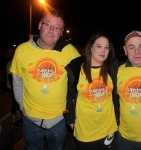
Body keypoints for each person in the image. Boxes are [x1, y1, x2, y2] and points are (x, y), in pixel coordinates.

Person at [10, 9, 80, 150]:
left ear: (61, 32)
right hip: (30, 121)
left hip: (58, 121)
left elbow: (84, 79)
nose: (51, 30)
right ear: (39, 25)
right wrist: (24, 108)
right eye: (48, 24)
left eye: (57, 27)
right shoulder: (22, 50)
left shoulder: (69, 50)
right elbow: (17, 82)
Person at [65, 32, 119, 150]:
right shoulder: (77, 70)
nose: (103, 51)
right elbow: (69, 96)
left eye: (106, 47)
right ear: (91, 48)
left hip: (108, 128)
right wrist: (70, 118)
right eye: (99, 46)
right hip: (86, 131)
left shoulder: (112, 68)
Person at [116, 30, 141, 150]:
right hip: (125, 139)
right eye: (132, 47)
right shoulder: (117, 71)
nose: (137, 52)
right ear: (125, 50)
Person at [6, 46, 23, 128]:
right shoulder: (10, 64)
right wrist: (15, 90)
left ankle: (19, 119)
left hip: (15, 87)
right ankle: (13, 121)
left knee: (17, 104)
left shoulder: (14, 62)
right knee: (14, 104)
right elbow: (11, 79)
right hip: (12, 87)